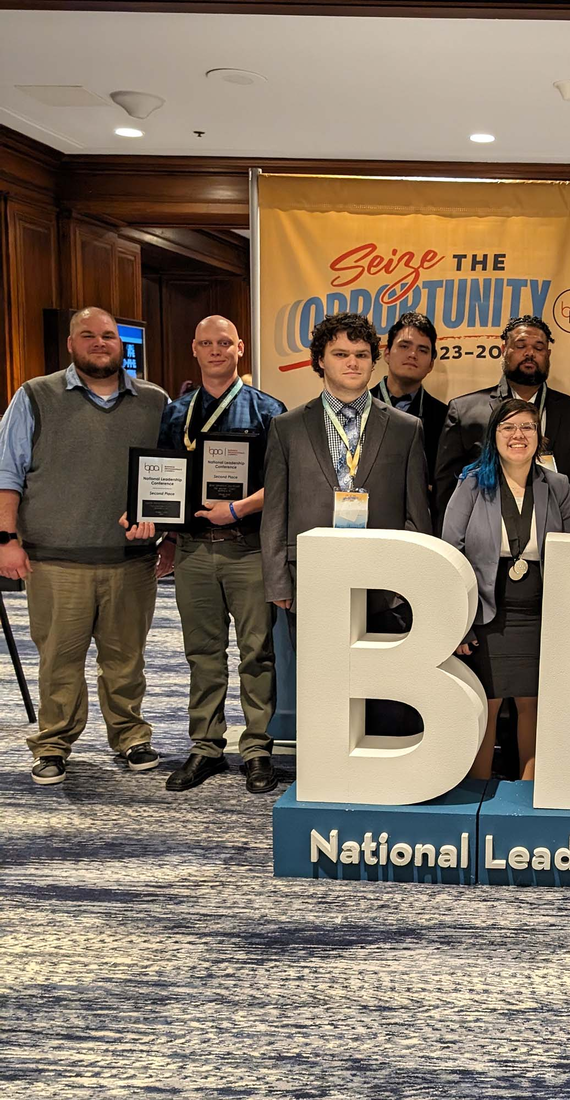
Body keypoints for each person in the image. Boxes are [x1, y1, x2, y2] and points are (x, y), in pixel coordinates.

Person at [0, 307, 167, 785]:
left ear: (121, 345)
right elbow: (6, 474)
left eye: (109, 336)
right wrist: (6, 539)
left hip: (131, 560)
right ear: (71, 344)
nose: (100, 343)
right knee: (59, 659)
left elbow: (170, 479)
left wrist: (164, 529)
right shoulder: (34, 396)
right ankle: (53, 743)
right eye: (88, 335)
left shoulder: (154, 401)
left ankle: (131, 736)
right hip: (55, 560)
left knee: (126, 658)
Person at [124, 316, 286, 794]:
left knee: (257, 653)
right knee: (202, 653)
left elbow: (281, 482)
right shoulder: (177, 413)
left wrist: (236, 508)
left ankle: (257, 747)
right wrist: (163, 532)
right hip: (194, 550)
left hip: (247, 548)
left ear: (240, 348)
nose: (216, 351)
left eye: (224, 343)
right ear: (194, 349)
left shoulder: (267, 409)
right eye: (206, 344)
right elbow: (166, 480)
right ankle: (206, 746)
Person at [262, 311, 432, 629]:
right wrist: (277, 581)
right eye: (340, 354)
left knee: (378, 678)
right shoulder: (287, 427)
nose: (352, 363)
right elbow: (274, 512)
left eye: (361, 355)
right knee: (318, 677)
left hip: (385, 583)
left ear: (373, 360)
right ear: (321, 360)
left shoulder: (406, 428)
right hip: (308, 577)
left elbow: (417, 514)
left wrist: (411, 578)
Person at [441, 398, 570, 781]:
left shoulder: (557, 485)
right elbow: (450, 550)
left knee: (533, 704)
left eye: (527, 428)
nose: (518, 436)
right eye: (509, 428)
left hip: (540, 610)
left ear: (539, 436)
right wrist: (460, 623)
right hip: (486, 608)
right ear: (494, 436)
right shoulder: (472, 483)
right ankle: (477, 796)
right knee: (486, 702)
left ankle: (527, 798)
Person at [434, 315, 570, 531]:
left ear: (548, 354)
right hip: (484, 547)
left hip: (558, 543)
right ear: (504, 350)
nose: (529, 353)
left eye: (539, 347)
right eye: (520, 345)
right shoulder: (465, 412)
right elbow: (446, 489)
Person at [371, 311, 447, 488]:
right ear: (387, 353)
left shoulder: (445, 418)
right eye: (404, 346)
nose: (413, 354)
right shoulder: (357, 408)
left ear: (431, 364)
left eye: (423, 350)